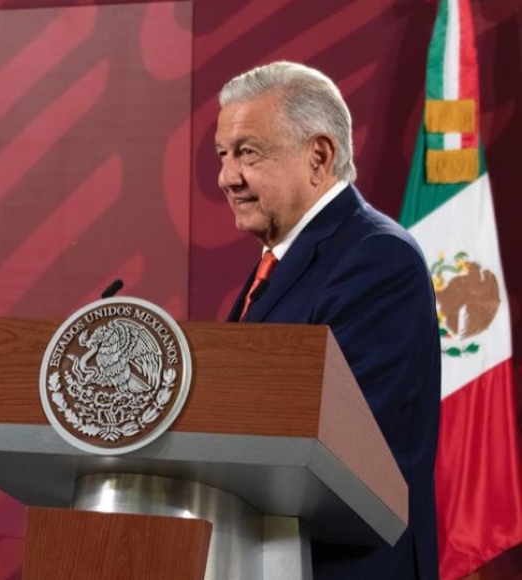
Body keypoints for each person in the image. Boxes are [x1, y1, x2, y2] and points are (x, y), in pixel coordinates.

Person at [216, 61, 440, 579]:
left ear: (319, 156)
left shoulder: (377, 258)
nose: (227, 177)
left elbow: (342, 450)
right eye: (223, 155)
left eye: (248, 153)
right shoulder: (286, 257)